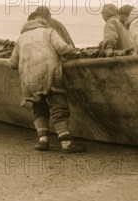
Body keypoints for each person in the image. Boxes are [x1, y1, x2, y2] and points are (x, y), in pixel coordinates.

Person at [9, 14, 86, 153]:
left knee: (39, 109)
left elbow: (13, 63)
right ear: (42, 22)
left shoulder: (21, 39)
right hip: (49, 76)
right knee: (58, 108)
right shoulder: (49, 32)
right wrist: (76, 52)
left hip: (29, 81)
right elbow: (63, 49)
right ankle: (66, 143)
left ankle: (43, 141)